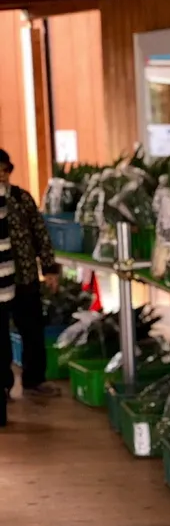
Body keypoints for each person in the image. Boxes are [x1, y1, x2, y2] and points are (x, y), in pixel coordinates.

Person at [0, 149, 61, 401]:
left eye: (4, 171)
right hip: (1, 283)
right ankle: (3, 386)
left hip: (24, 278)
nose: (1, 176)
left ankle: (35, 379)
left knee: (33, 330)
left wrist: (49, 269)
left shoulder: (22, 198)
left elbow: (40, 235)